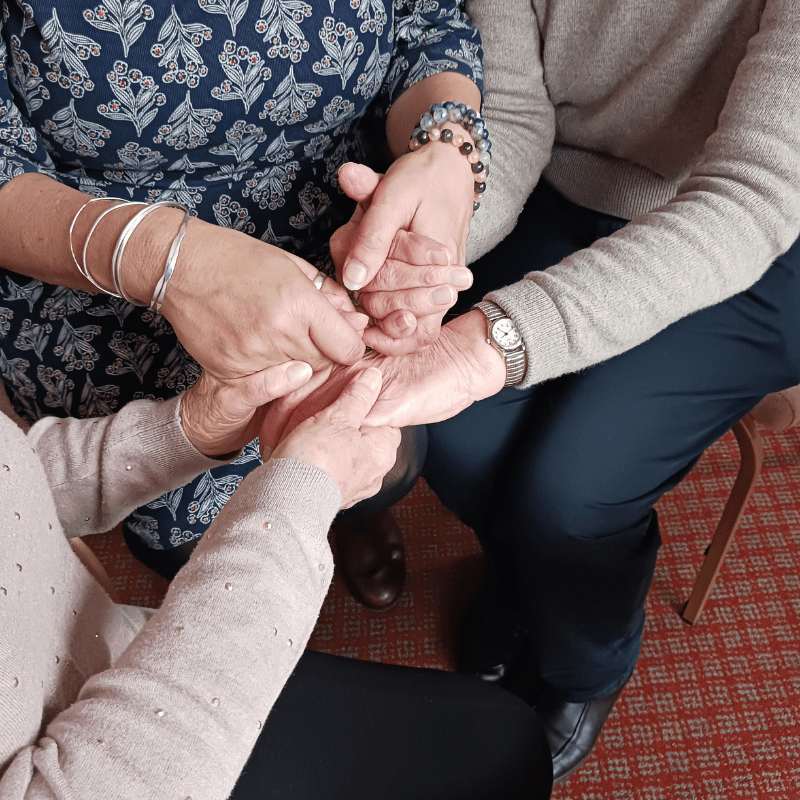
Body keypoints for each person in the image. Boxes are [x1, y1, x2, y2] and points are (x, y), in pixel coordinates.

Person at [275, 0, 800, 785]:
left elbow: (752, 193)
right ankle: (529, 581)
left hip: (755, 228)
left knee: (573, 491)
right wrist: (430, 260)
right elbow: (517, 116)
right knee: (451, 435)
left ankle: (590, 668)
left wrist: (494, 342)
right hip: (566, 180)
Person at [0, 1, 483, 604]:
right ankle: (225, 592)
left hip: (340, 231)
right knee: (172, 511)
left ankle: (347, 517)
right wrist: (163, 261)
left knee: (378, 442)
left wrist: (444, 147)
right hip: (91, 268)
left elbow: (425, 21)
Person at [0, 362, 552, 799]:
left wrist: (189, 427)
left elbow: (14, 475)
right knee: (505, 753)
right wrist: (301, 493)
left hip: (130, 648)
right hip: (152, 751)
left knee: (499, 742)